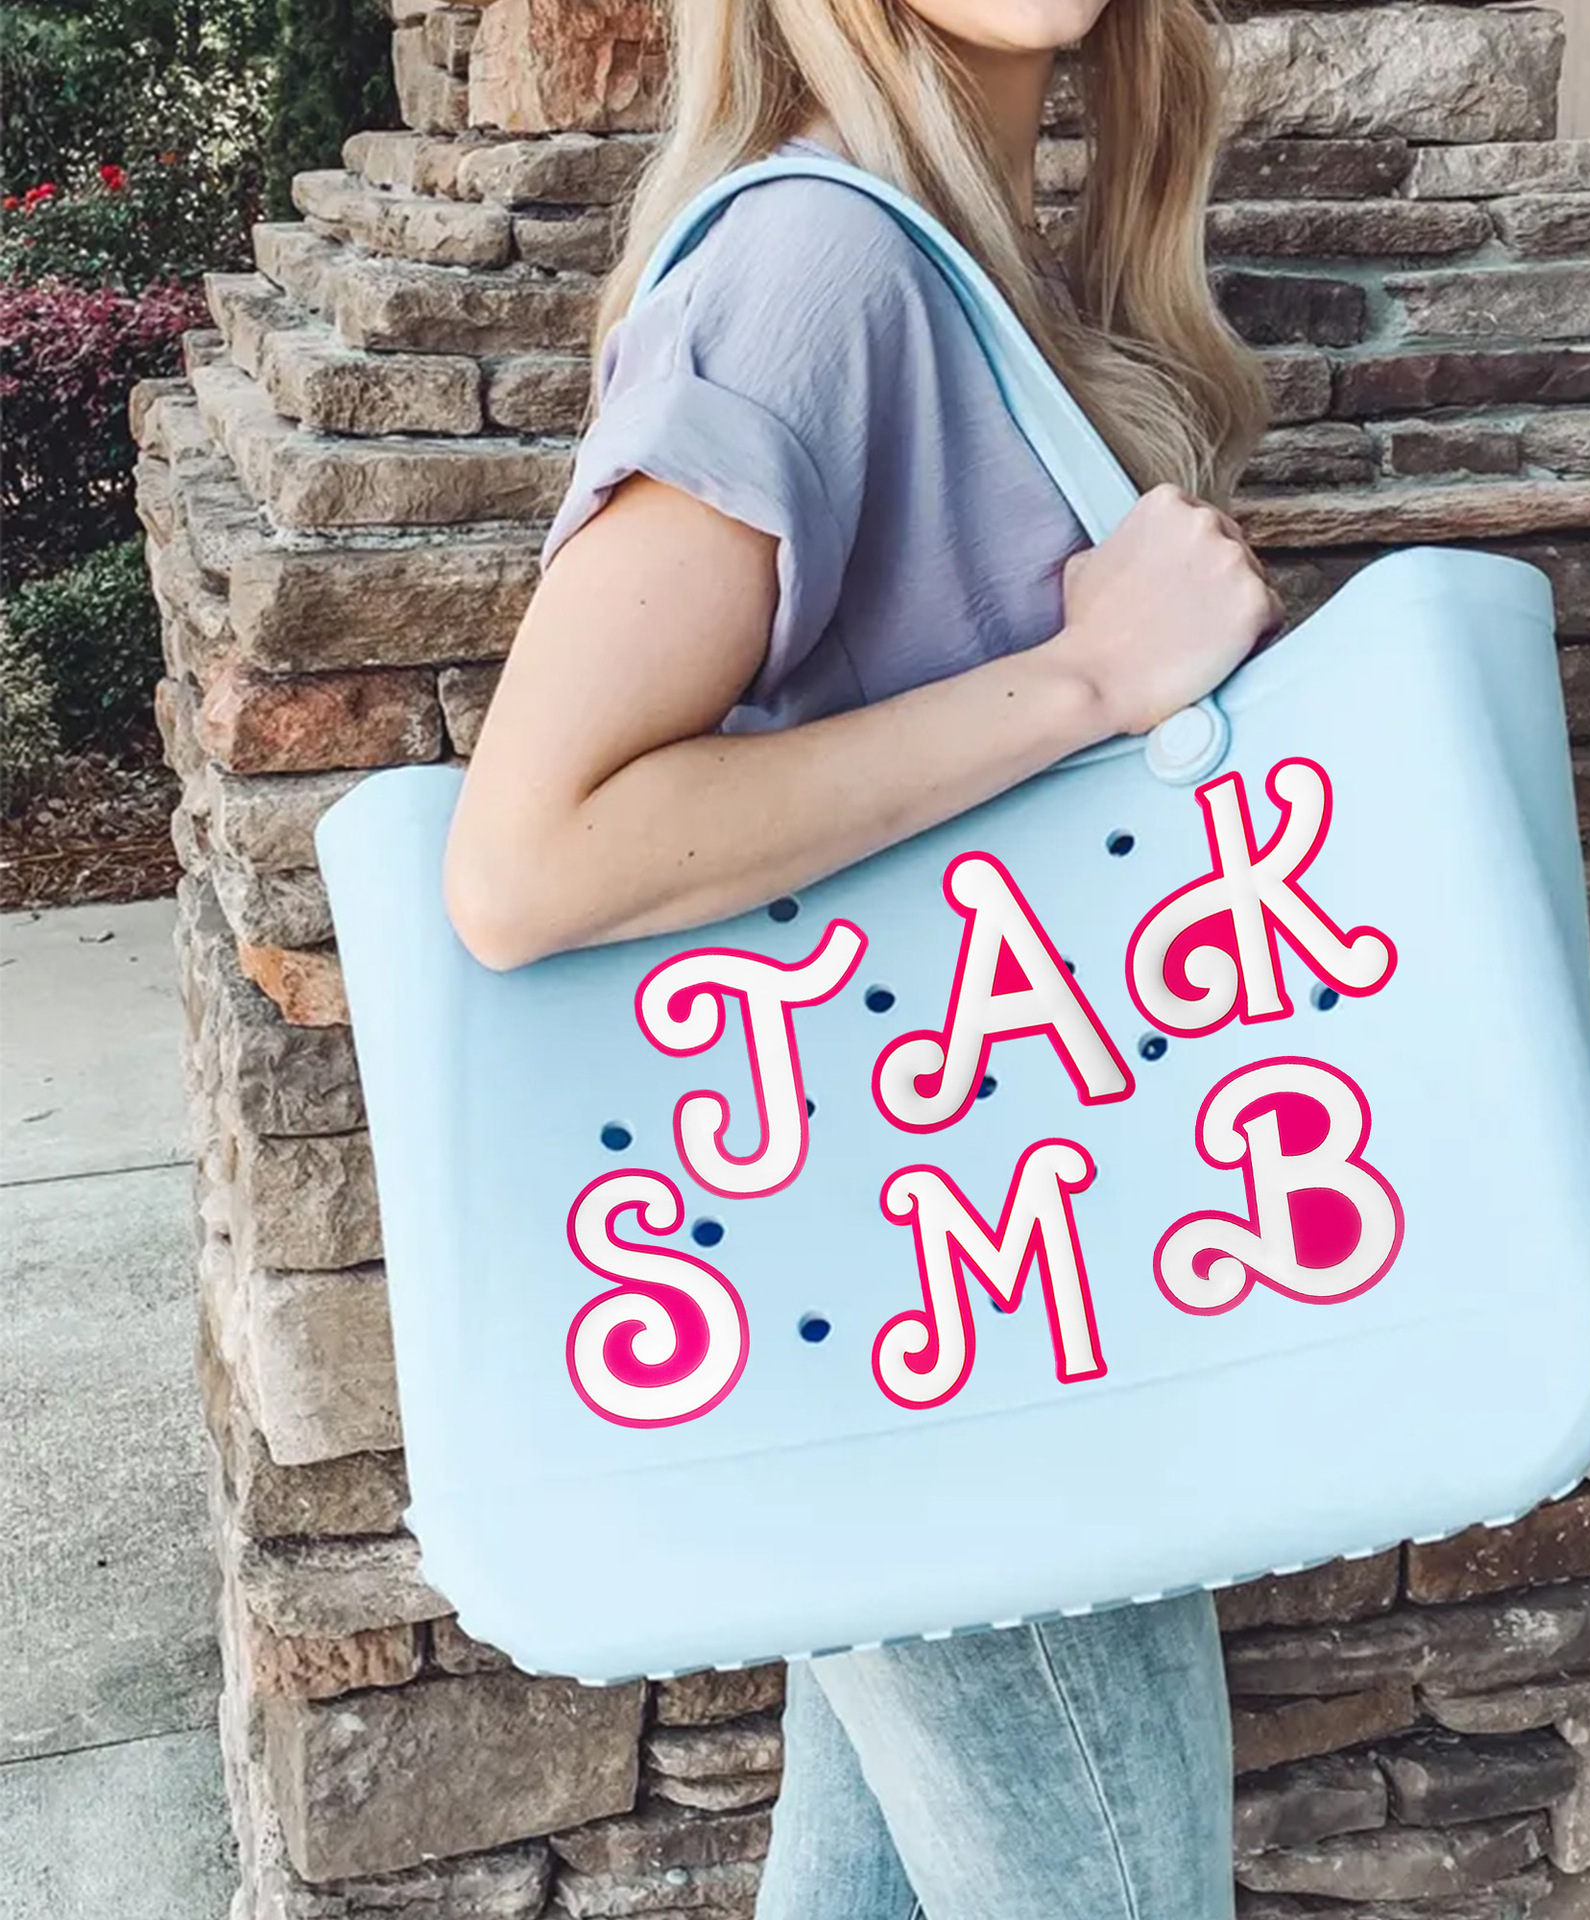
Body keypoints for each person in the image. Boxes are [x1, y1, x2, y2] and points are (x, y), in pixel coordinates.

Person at [443, 2, 1280, 1913]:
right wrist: (1086, 680)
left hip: (958, 1281)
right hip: (964, 1344)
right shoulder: (820, 263)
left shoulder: (946, 254)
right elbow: (525, 859)